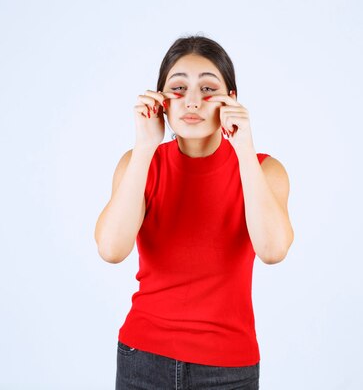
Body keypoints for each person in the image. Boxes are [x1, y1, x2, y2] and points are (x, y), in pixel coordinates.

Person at [94, 35, 294, 390]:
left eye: (207, 89)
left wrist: (244, 148)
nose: (192, 101)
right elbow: (111, 249)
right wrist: (144, 147)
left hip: (229, 368)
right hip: (143, 358)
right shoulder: (141, 164)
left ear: (231, 99)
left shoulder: (263, 170)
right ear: (160, 102)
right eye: (178, 88)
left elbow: (273, 250)